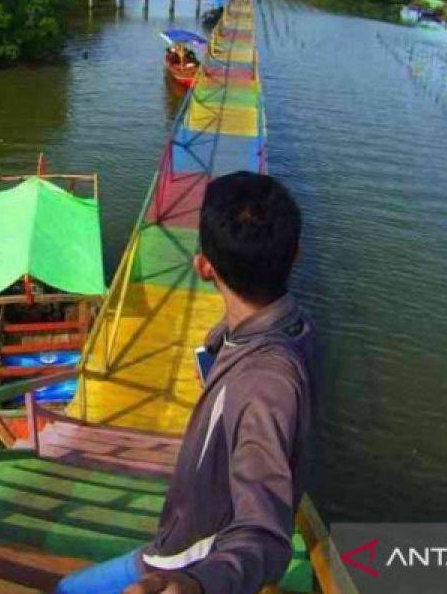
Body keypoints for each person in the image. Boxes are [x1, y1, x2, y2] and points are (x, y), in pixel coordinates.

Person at [56, 172, 320, 594]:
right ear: (295, 254)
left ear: (203, 267)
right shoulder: (291, 326)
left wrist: (198, 585)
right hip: (189, 542)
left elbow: (264, 535)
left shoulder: (265, 386)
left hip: (190, 558)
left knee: (70, 590)